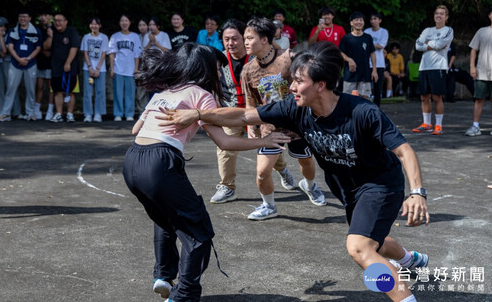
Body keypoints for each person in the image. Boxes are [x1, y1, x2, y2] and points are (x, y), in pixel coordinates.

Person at [159, 41, 431, 302]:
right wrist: (197, 114)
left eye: (298, 81)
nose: (291, 87)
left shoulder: (362, 112)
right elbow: (243, 116)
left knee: (359, 247)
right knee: (375, 242)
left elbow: (404, 150)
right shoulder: (295, 109)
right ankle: (410, 259)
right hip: (349, 189)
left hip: (380, 185)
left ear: (321, 85)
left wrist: (417, 192)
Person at [123, 42, 290, 302]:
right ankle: (183, 296)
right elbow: (225, 142)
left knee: (166, 220)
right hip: (160, 162)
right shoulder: (201, 96)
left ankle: (163, 276)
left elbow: (136, 129)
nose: (220, 73)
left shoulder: (164, 92)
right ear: (204, 68)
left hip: (132, 160)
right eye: (217, 68)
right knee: (198, 233)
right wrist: (263, 142)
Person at [239, 17, 324, 220]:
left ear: (265, 39)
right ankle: (269, 206)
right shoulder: (247, 71)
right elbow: (251, 103)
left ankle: (310, 185)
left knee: (306, 163)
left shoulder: (289, 58)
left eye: (250, 38)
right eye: (245, 38)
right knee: (262, 172)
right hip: (270, 129)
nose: (246, 43)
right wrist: (251, 126)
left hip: (298, 125)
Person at [210, 19, 251, 204]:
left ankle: (282, 169)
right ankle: (227, 186)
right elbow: (212, 83)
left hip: (256, 111)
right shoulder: (219, 59)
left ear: (244, 38)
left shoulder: (257, 57)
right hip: (231, 112)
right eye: (226, 39)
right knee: (224, 147)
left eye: (235, 38)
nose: (230, 43)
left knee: (271, 148)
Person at [413, 5, 454, 135]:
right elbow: (417, 45)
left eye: (442, 14)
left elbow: (440, 44)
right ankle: (426, 123)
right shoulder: (427, 30)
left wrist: (427, 43)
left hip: (438, 67)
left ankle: (438, 125)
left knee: (437, 97)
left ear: (446, 17)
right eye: (437, 13)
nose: (439, 15)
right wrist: (432, 44)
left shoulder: (448, 30)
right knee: (424, 97)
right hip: (424, 67)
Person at [0, 10, 42, 122]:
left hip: (30, 63)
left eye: (25, 17)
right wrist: (19, 59)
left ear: (30, 18)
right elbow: (10, 47)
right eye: (20, 16)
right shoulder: (13, 30)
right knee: (10, 89)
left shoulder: (36, 31)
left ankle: (30, 113)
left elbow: (38, 48)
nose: (22, 19)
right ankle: (6, 113)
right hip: (15, 63)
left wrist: (28, 59)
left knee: (31, 89)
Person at [44, 13, 81, 123]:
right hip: (56, 66)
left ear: (66, 21)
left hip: (71, 67)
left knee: (71, 91)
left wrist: (68, 63)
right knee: (57, 91)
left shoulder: (72, 31)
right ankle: (59, 114)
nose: (57, 23)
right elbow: (45, 47)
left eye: (60, 20)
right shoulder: (52, 31)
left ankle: (70, 114)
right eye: (55, 20)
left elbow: (74, 47)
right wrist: (50, 36)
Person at [108, 14, 142, 121]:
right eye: (122, 21)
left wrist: (136, 68)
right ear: (119, 23)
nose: (124, 23)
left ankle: (129, 114)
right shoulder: (115, 36)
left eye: (126, 21)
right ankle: (118, 113)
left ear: (130, 22)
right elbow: (112, 54)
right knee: (117, 93)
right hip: (118, 68)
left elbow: (137, 54)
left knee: (130, 93)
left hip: (130, 69)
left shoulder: (135, 36)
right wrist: (112, 69)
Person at [465, 6, 492, 137]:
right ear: (489, 16)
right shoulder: (482, 31)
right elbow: (473, 49)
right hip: (482, 71)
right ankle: (475, 126)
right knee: (479, 99)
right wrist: (472, 66)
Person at [339, 12, 378, 99]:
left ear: (364, 23)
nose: (359, 22)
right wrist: (349, 60)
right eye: (356, 20)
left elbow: (372, 53)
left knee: (364, 99)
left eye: (361, 20)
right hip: (350, 75)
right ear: (351, 23)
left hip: (365, 75)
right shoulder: (346, 38)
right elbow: (340, 52)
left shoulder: (368, 37)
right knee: (347, 99)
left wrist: (374, 70)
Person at [80, 16, 109, 123]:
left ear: (100, 26)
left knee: (100, 91)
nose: (94, 26)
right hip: (88, 68)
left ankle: (98, 113)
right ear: (89, 26)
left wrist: (97, 68)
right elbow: (85, 53)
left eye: (96, 24)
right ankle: (88, 114)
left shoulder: (104, 37)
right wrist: (90, 67)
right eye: (92, 24)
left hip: (100, 69)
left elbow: (104, 53)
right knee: (87, 92)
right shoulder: (86, 37)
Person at [0, 16, 20, 118]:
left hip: (8, 63)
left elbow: (5, 51)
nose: (1, 28)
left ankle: (16, 111)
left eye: (3, 26)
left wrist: (0, 37)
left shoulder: (9, 35)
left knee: (12, 87)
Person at [364, 13, 389, 106]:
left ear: (380, 20)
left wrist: (369, 45)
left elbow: (381, 46)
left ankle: (377, 108)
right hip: (367, 63)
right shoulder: (366, 31)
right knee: (366, 87)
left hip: (379, 64)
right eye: (371, 19)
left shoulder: (384, 32)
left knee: (377, 88)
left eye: (375, 19)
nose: (372, 21)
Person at [35, 10, 54, 120]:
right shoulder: (37, 29)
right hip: (39, 61)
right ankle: (37, 109)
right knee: (39, 86)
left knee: (51, 87)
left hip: (52, 63)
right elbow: (36, 44)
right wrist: (43, 49)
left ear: (50, 16)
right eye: (41, 14)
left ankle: (50, 110)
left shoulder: (55, 28)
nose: (43, 17)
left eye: (45, 14)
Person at [135, 17, 150, 115]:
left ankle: (149, 110)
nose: (142, 27)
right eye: (140, 25)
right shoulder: (136, 36)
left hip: (150, 64)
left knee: (150, 88)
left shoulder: (151, 36)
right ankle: (142, 110)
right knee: (140, 88)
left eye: (144, 25)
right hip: (139, 63)